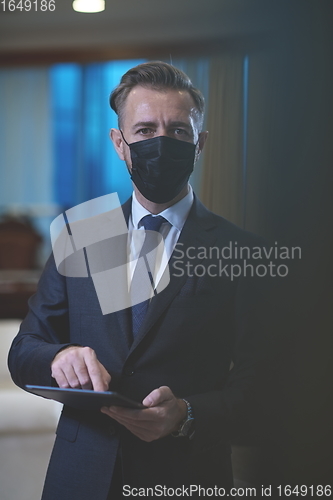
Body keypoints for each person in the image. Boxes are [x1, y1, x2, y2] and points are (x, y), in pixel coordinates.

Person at [8, 61, 266, 499]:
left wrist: (187, 414)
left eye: (178, 132)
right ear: (119, 143)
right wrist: (58, 358)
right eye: (145, 131)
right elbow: (24, 350)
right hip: (80, 478)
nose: (161, 143)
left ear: (199, 143)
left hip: (187, 477)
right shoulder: (79, 237)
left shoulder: (243, 252)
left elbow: (267, 388)